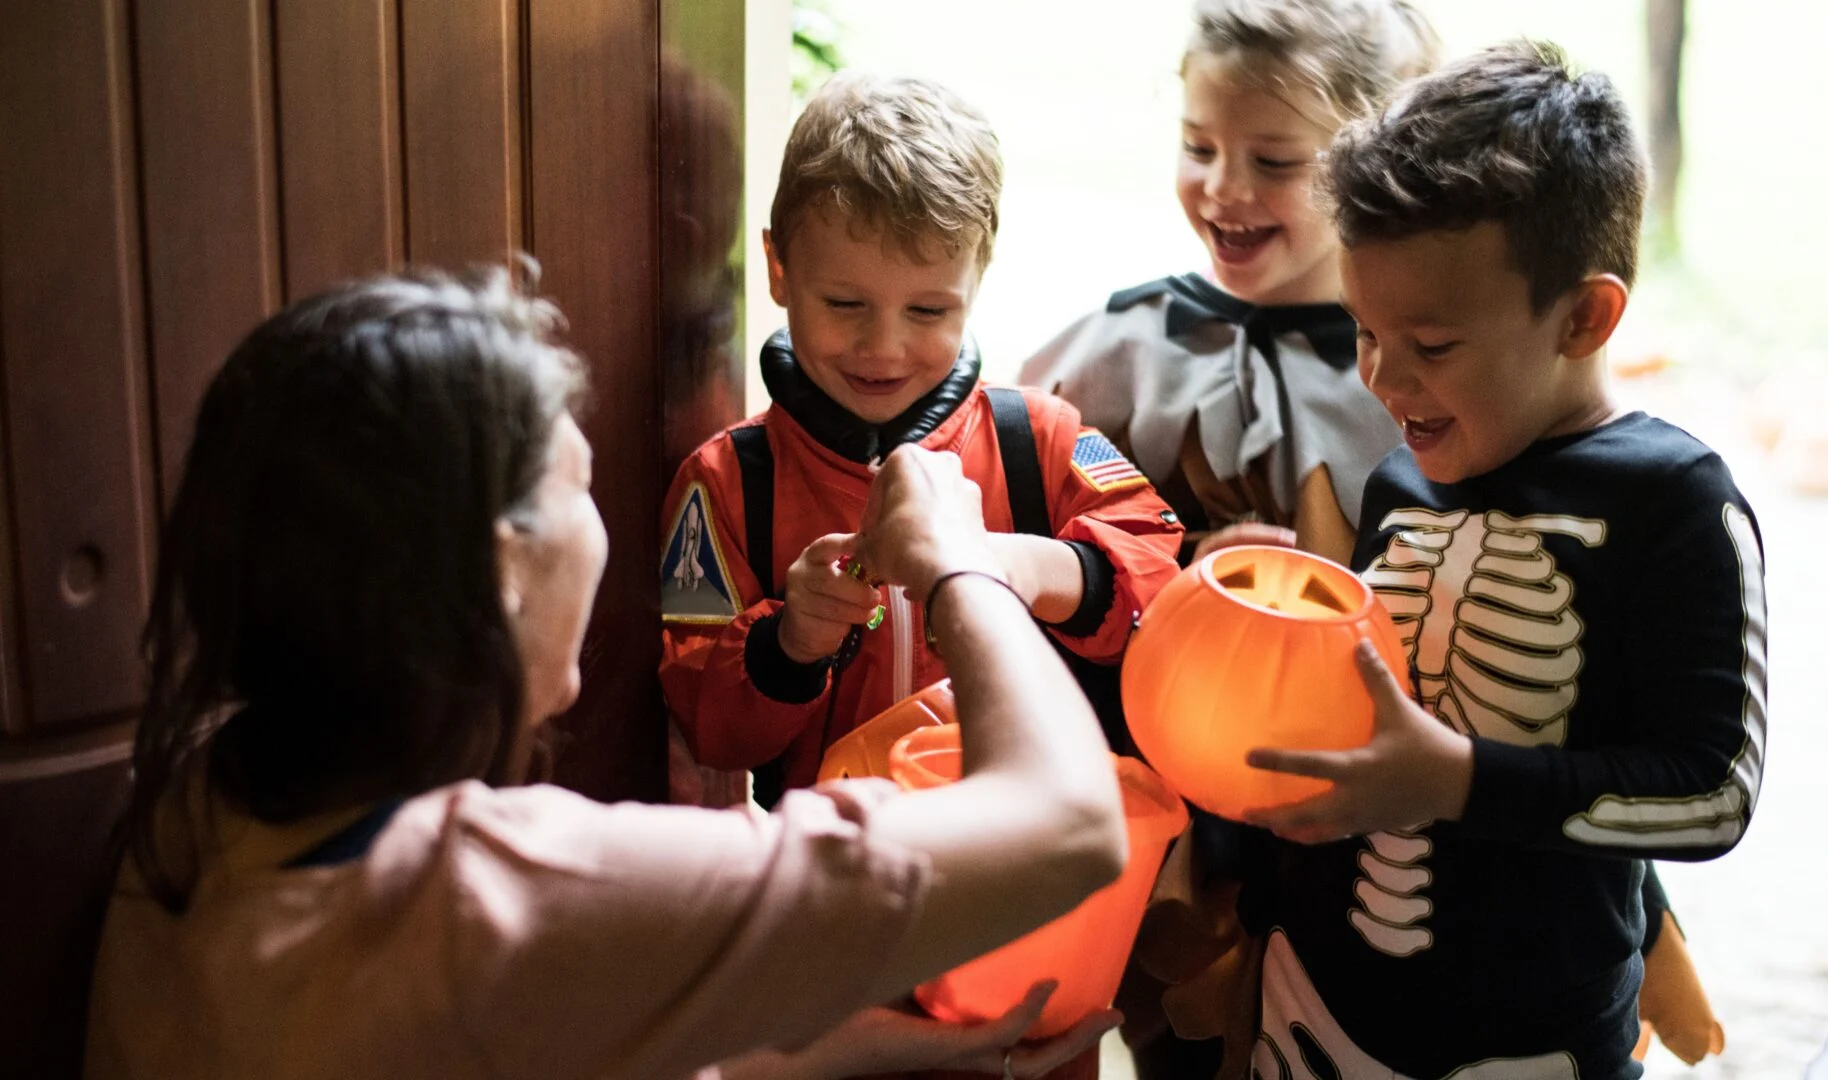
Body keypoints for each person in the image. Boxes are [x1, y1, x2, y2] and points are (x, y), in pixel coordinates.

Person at [84, 267, 1131, 1080]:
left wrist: (930, 1043)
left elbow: (602, 1019)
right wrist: (961, 559)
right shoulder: (500, 902)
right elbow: (1072, 824)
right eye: (580, 483)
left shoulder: (199, 800)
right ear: (501, 567)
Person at [1222, 42, 1767, 1079]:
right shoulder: (1399, 483)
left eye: (1431, 346)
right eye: (1362, 331)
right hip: (1314, 1013)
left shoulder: (1674, 503)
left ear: (1583, 316)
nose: (1383, 379)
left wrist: (1458, 779)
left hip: (1532, 1044)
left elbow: (1713, 794)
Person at [660, 72, 1183, 805]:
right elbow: (706, 725)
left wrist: (1001, 566)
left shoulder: (1039, 438)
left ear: (978, 279)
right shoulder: (726, 483)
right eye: (845, 303)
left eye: (929, 310)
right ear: (778, 267)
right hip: (844, 869)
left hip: (1019, 853)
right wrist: (791, 643)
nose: (884, 347)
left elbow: (1160, 588)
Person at [1021, 0, 1435, 569]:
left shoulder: (1418, 373)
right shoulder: (1115, 347)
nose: (1222, 187)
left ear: (1376, 160)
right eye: (1198, 148)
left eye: (1273, 161)